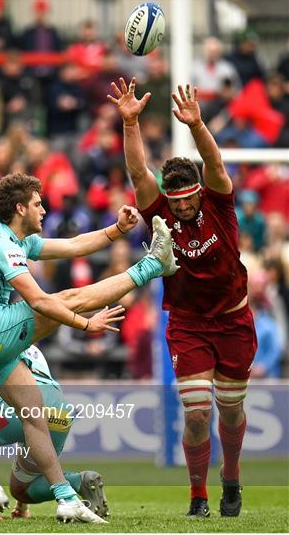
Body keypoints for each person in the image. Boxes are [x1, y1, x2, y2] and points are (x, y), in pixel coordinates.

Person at [0, 172, 178, 523]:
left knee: (33, 414)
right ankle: (152, 265)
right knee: (65, 299)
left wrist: (117, 230)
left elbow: (74, 246)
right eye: (37, 204)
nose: (44, 210)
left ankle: (65, 497)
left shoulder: (16, 241)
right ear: (19, 208)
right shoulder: (2, 244)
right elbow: (41, 303)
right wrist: (87, 324)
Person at [108, 77, 257, 518]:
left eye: (188, 199)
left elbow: (214, 162)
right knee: (195, 414)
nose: (182, 207)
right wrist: (131, 123)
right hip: (189, 323)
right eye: (175, 202)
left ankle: (231, 478)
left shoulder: (219, 203)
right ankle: (198, 496)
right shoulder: (160, 209)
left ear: (198, 192)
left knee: (230, 411)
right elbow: (138, 172)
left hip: (234, 321)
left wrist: (196, 125)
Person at [0, 344, 109, 520]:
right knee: (22, 489)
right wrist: (22, 505)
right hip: (59, 410)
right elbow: (27, 428)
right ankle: (79, 482)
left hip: (13, 405)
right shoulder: (29, 345)